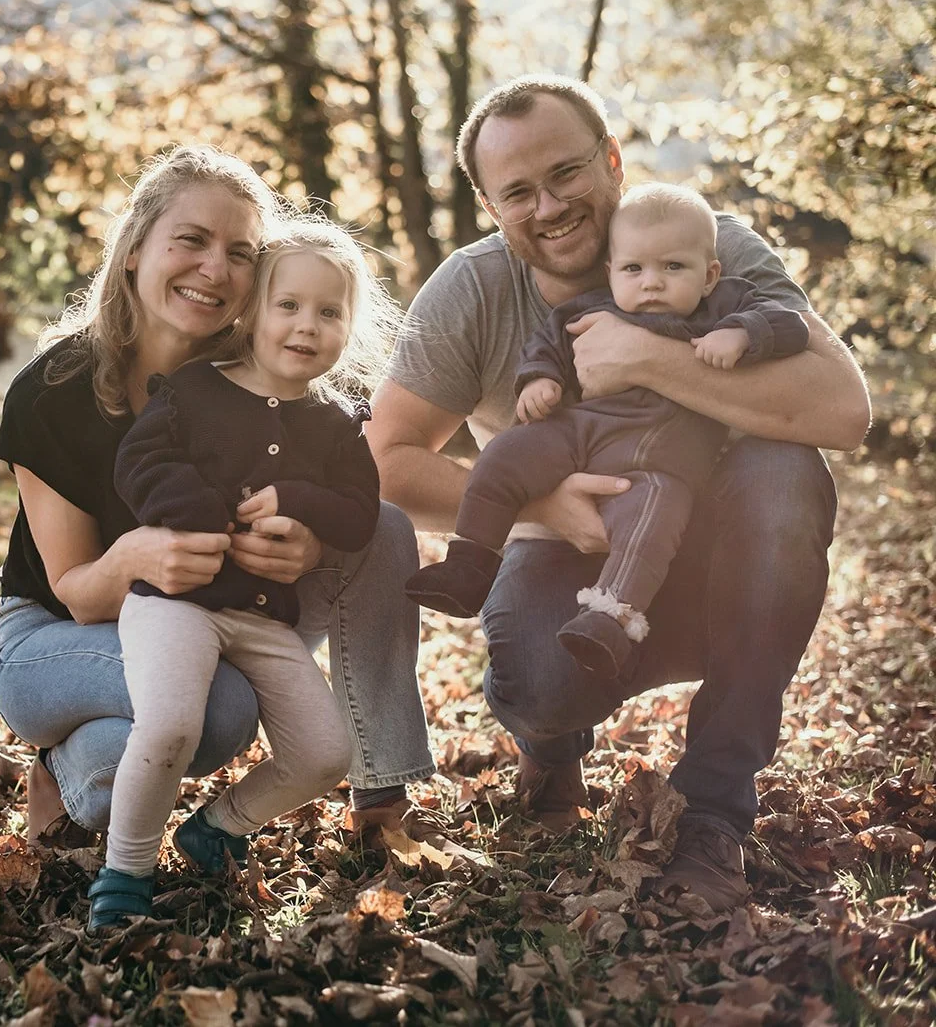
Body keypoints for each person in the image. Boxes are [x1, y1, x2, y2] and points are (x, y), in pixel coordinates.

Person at [368, 75, 869, 912]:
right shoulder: (474, 289)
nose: (549, 206)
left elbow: (844, 410)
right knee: (539, 683)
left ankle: (714, 811)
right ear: (490, 205)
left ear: (611, 160)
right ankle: (552, 746)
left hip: (720, 559)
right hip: (569, 560)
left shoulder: (708, 244)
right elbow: (385, 458)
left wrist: (646, 358)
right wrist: (541, 506)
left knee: (785, 475)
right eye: (518, 192)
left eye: (566, 172)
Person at [0, 147, 435, 867]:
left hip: (219, 610)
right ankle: (64, 771)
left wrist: (312, 543)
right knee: (219, 708)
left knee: (380, 528)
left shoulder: (267, 374)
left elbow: (344, 496)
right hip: (55, 636)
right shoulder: (53, 391)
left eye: (240, 254)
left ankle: (379, 790)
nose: (214, 269)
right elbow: (76, 592)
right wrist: (134, 557)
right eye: (191, 240)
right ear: (135, 249)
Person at [87, 220, 399, 929]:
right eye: (289, 306)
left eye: (329, 312)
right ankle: (125, 870)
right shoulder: (195, 390)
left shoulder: (336, 423)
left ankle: (219, 825)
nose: (307, 325)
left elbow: (358, 514)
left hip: (261, 616)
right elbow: (140, 463)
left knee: (324, 753)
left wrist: (299, 500)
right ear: (253, 311)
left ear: (349, 328)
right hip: (176, 602)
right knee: (171, 725)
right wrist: (200, 514)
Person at [404, 183, 809, 681]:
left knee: (651, 523)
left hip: (661, 466)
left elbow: (792, 326)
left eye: (673, 267)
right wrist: (539, 380)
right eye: (634, 269)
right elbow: (548, 344)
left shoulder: (727, 304)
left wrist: (744, 333)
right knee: (506, 453)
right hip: (580, 435)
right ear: (611, 272)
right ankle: (469, 560)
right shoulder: (592, 309)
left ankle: (609, 619)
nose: (652, 283)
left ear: (709, 275)